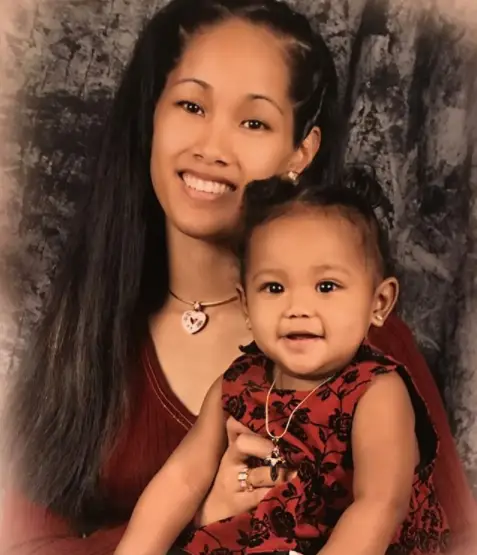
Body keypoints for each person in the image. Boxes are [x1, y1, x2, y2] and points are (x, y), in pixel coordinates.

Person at [1, 0, 473, 554]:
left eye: (253, 121)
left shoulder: (356, 336)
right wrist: (199, 521)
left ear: (301, 151)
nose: (211, 148)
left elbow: (451, 536)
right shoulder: (85, 330)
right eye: (191, 105)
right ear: (152, 115)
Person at [115, 170, 449, 555]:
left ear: (379, 303)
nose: (297, 309)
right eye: (274, 288)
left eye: (326, 287)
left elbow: (378, 507)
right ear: (246, 304)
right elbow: (182, 479)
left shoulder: (377, 392)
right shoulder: (239, 383)